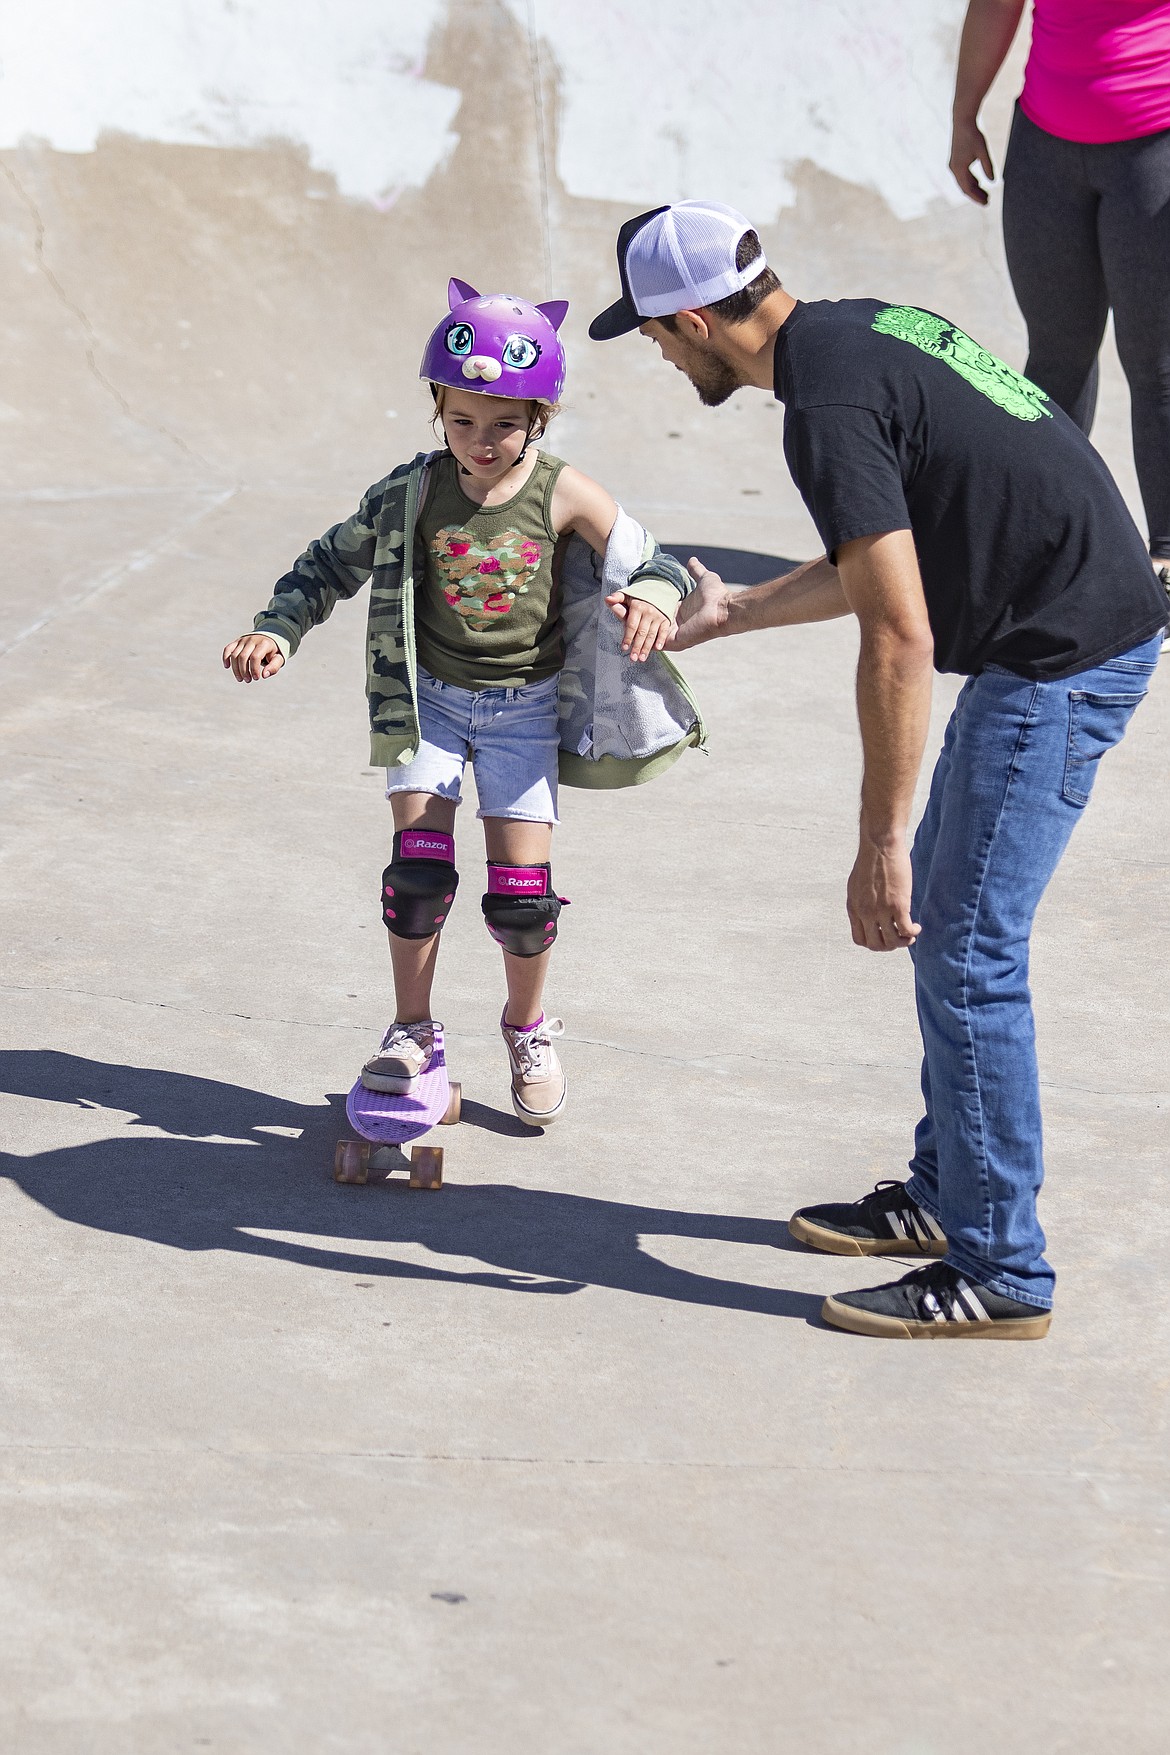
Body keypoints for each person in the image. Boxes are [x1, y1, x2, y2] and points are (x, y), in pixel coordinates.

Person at [591, 200, 1167, 1339]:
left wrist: (878, 841)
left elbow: (899, 635)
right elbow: (879, 557)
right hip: (1062, 629)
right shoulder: (859, 332)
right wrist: (738, 610)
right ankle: (949, 1193)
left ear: (698, 319)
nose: (656, 355)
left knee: (965, 951)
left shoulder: (827, 406)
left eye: (654, 334)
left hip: (1060, 659)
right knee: (962, 941)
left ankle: (1002, 1271)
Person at [224, 280, 703, 1126]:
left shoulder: (563, 491)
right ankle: (413, 1032)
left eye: (505, 423)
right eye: (462, 422)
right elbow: (329, 562)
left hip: (525, 711)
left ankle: (526, 1027)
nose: (482, 442)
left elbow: (652, 557)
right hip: (431, 706)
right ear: (437, 407)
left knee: (522, 899)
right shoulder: (410, 493)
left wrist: (659, 596)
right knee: (416, 876)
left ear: (540, 417)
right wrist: (278, 629)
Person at [949, 0, 1170, 607]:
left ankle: (1168, 558)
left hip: (1156, 147)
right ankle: (1044, 545)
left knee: (1157, 365)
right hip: (1045, 146)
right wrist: (964, 117)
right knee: (1055, 356)